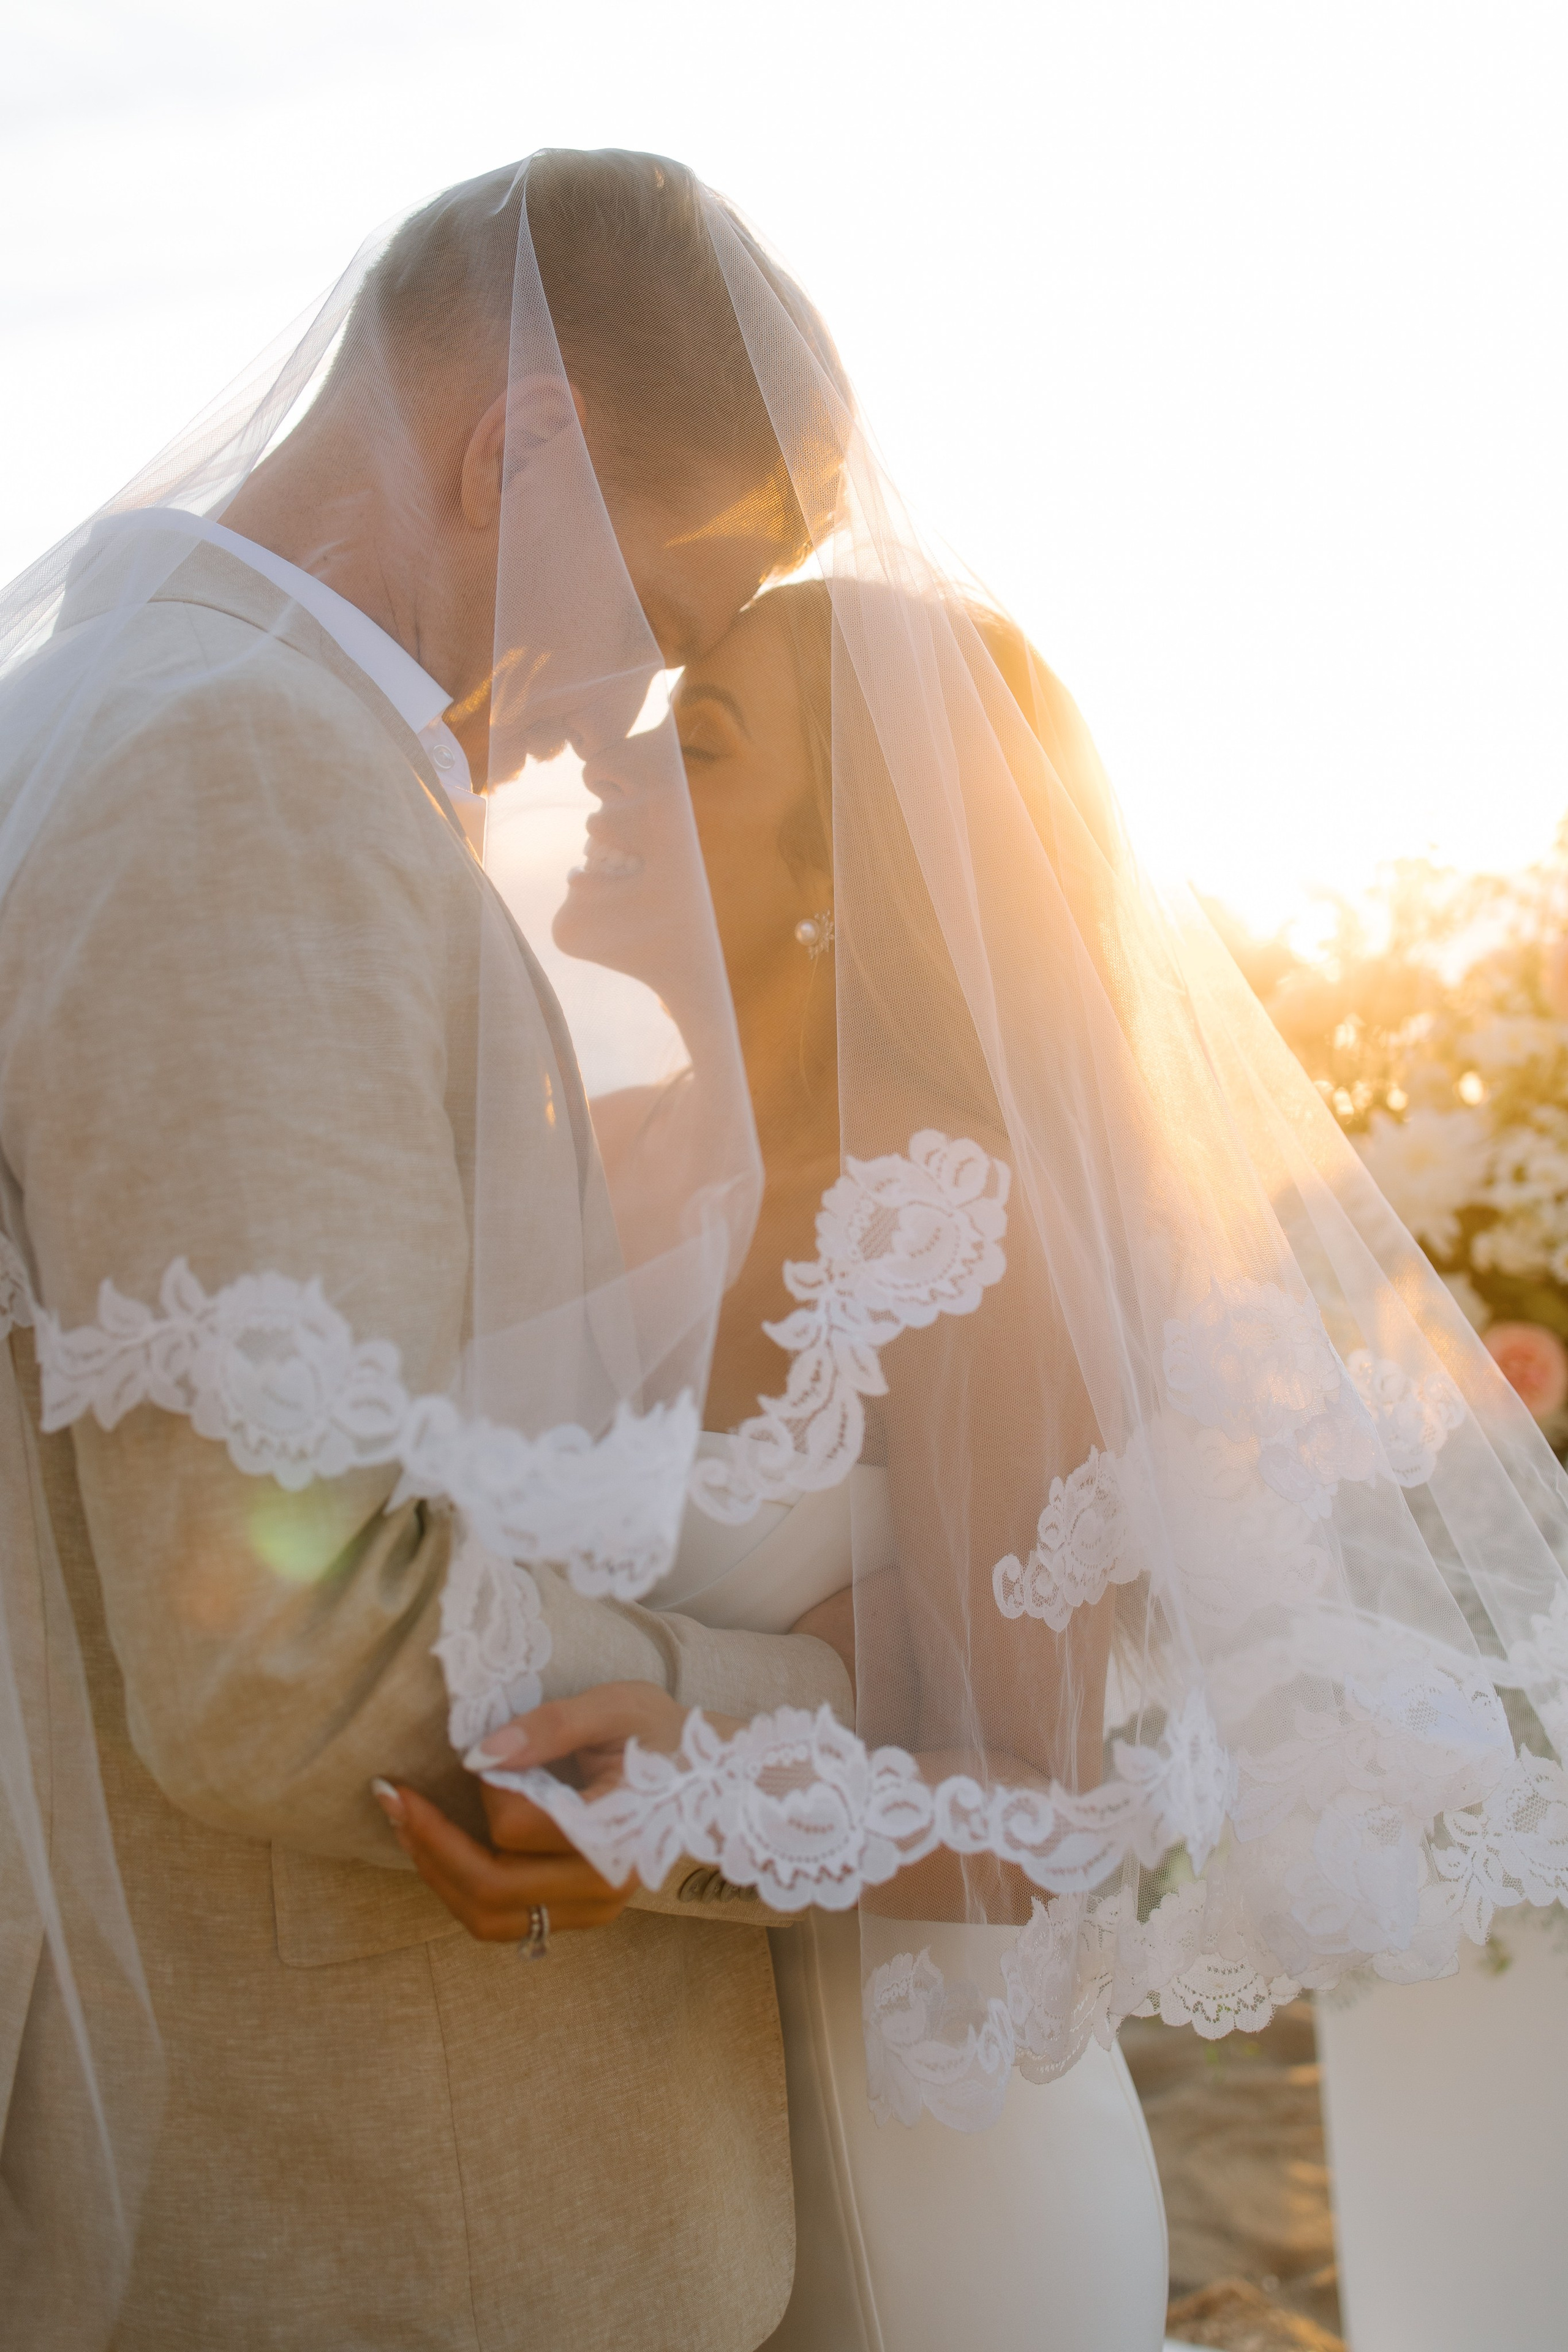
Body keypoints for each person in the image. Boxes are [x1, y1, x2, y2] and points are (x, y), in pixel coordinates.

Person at [390, 178, 1568, 2352]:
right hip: (651, 2159)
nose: (628, 770)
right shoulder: (616, 1148)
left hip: (920, 2199)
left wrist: (690, 1798)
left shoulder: (963, 1216)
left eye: (708, 742)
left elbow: (1055, 1806)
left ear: (856, 878)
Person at [0, 153, 859, 2352]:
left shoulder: (126, 716)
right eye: (662, 616)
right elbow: (278, 1652)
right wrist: (815, 1719)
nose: (624, 720)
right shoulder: (241, 775)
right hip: (437, 2220)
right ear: (526, 452)